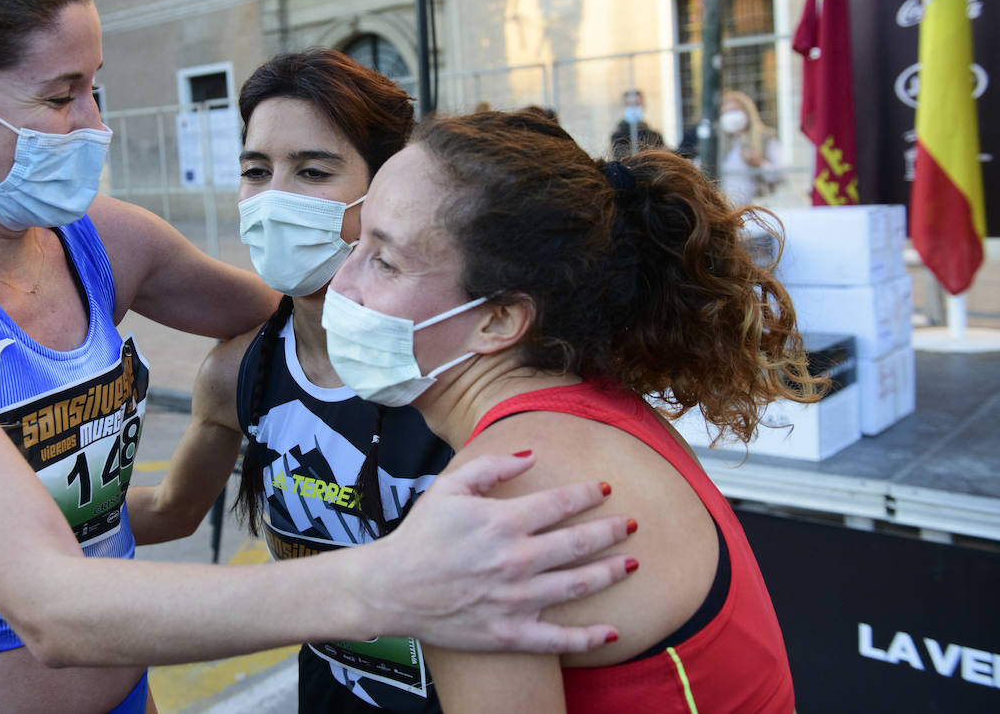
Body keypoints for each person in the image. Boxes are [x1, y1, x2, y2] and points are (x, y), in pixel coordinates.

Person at [0, 0, 639, 714]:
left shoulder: (100, 241)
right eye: (57, 95)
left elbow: (299, 326)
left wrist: (445, 272)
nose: (91, 123)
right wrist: (390, 583)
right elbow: (55, 607)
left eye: (95, 86)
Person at [324, 108, 824, 712]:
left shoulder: (497, 499)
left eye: (384, 260)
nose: (339, 284)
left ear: (500, 318)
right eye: (355, 243)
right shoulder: (592, 403)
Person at [128, 49, 453, 713]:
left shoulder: (452, 373)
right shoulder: (236, 373)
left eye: (311, 170)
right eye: (256, 170)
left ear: (385, 188)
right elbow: (170, 510)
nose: (275, 197)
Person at [718, 89, 784, 207]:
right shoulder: (718, 144)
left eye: (735, 111)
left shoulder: (765, 137)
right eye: (726, 112)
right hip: (726, 208)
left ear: (747, 113)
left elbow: (779, 175)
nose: (731, 116)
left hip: (758, 206)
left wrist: (759, 163)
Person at [609, 90, 665, 158]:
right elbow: (622, 156)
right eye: (629, 104)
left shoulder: (655, 135)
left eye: (637, 104)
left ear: (643, 105)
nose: (633, 108)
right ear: (623, 107)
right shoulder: (618, 136)